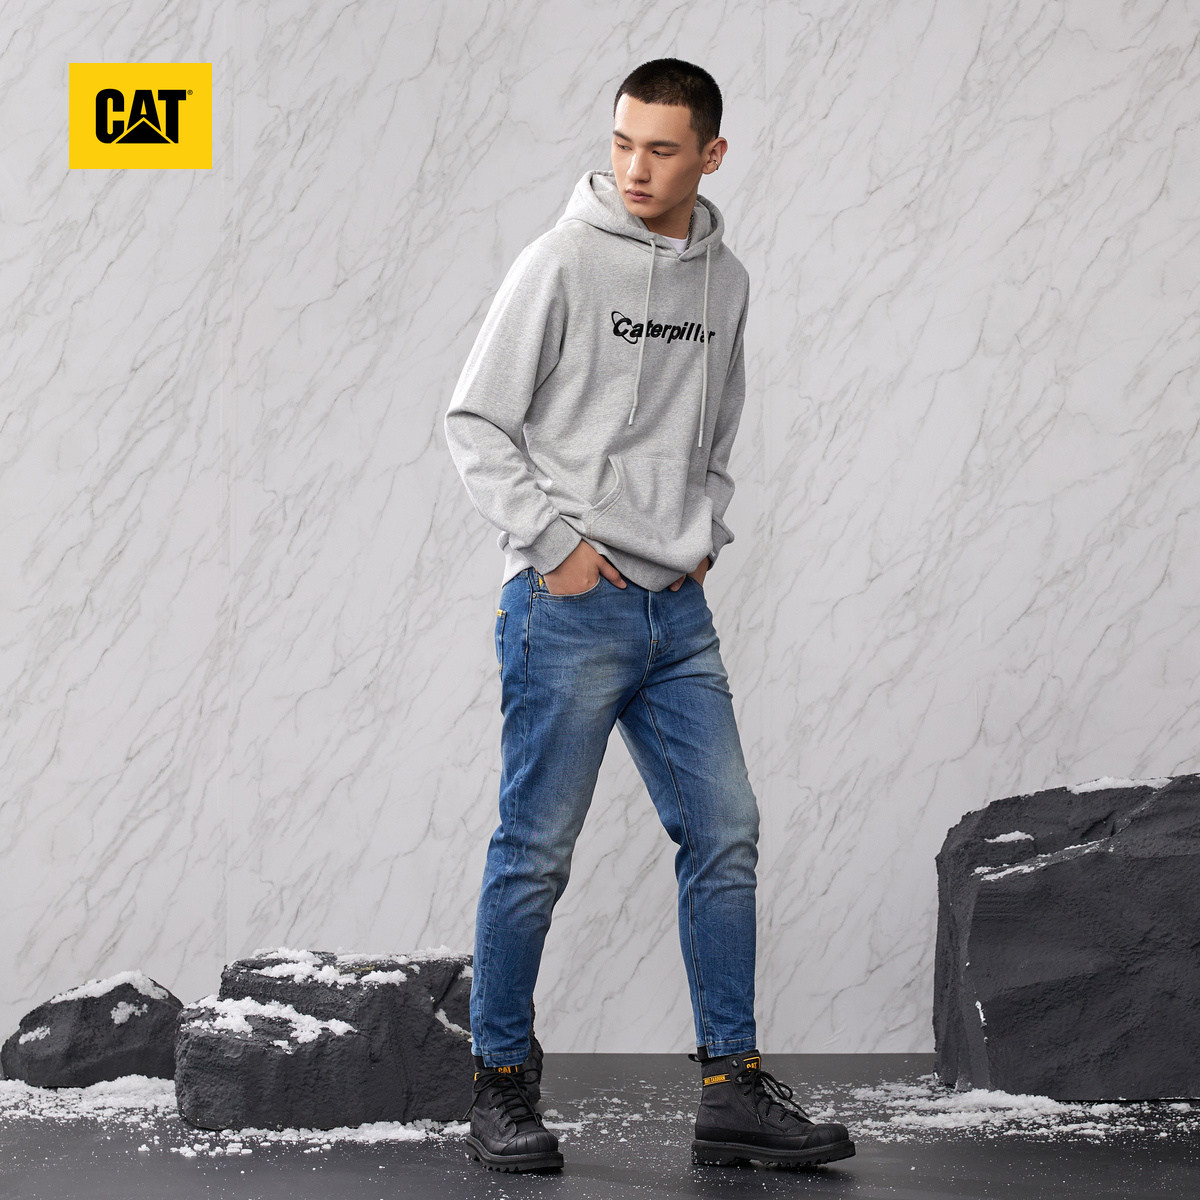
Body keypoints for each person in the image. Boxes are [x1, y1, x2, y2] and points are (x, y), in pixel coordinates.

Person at [444, 57, 856, 1175]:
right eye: (623, 142)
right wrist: (559, 550)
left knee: (726, 831)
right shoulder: (561, 261)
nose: (635, 167)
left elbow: (717, 429)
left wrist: (703, 529)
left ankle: (731, 1090)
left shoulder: (728, 283)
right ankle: (499, 1083)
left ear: (711, 155)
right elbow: (475, 420)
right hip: (567, 609)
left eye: (663, 148)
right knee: (536, 850)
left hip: (676, 616)